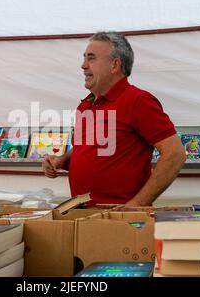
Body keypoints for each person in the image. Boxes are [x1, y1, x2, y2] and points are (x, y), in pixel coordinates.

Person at [42, 32, 186, 207]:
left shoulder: (137, 101)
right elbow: (86, 151)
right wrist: (61, 160)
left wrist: (137, 204)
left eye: (91, 58)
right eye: (84, 58)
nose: (83, 65)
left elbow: (175, 154)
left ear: (114, 65)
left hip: (119, 219)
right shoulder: (86, 105)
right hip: (81, 214)